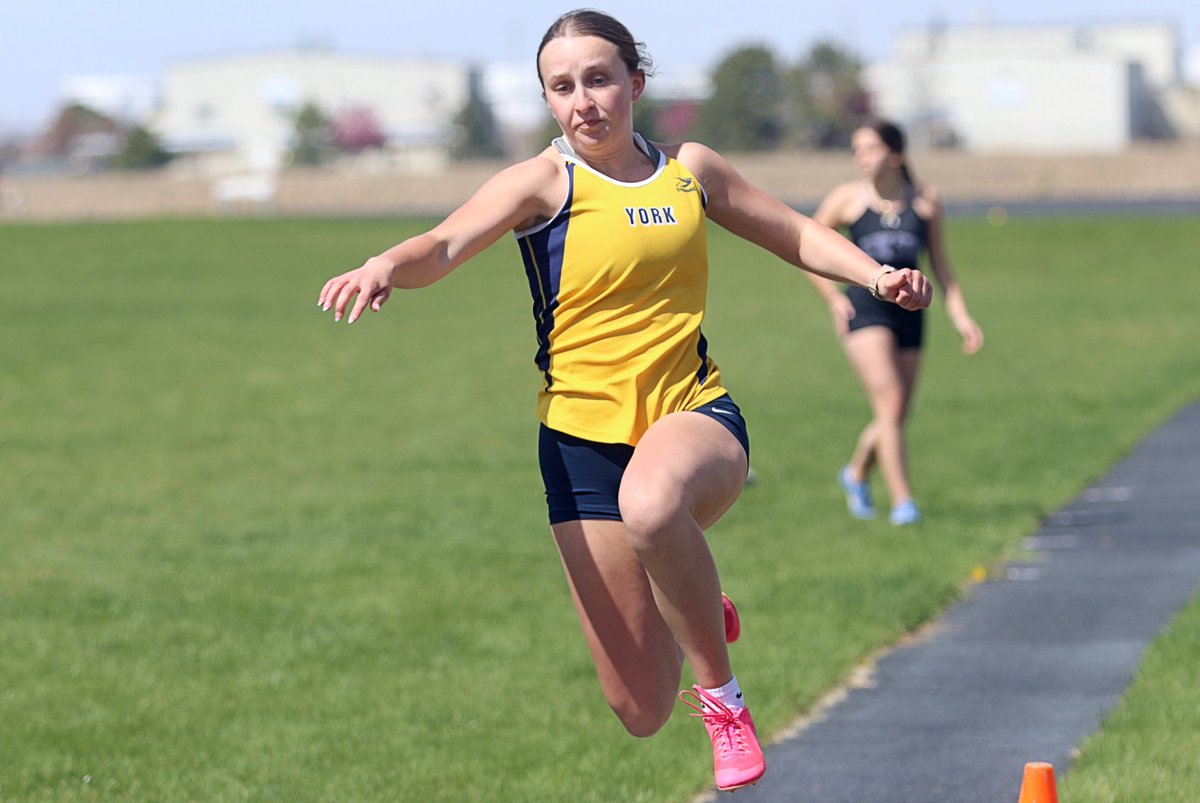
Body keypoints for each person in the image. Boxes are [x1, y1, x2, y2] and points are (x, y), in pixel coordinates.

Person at [317, 11, 931, 792]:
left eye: (600, 79)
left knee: (649, 504)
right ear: (547, 100)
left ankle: (724, 702)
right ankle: (696, 594)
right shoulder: (543, 182)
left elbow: (793, 232)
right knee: (638, 705)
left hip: (692, 415)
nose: (585, 101)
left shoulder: (690, 170)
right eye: (563, 87)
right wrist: (383, 263)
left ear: (635, 82)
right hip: (579, 446)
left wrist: (875, 277)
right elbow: (442, 245)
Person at [807, 119, 983, 526]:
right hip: (864, 310)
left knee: (897, 411)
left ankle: (854, 474)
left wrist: (961, 316)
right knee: (889, 403)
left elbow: (941, 265)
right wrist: (832, 299)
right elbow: (810, 246)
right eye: (856, 149)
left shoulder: (925, 202)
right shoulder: (848, 199)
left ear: (895, 155)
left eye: (870, 148)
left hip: (911, 315)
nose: (861, 157)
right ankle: (904, 503)